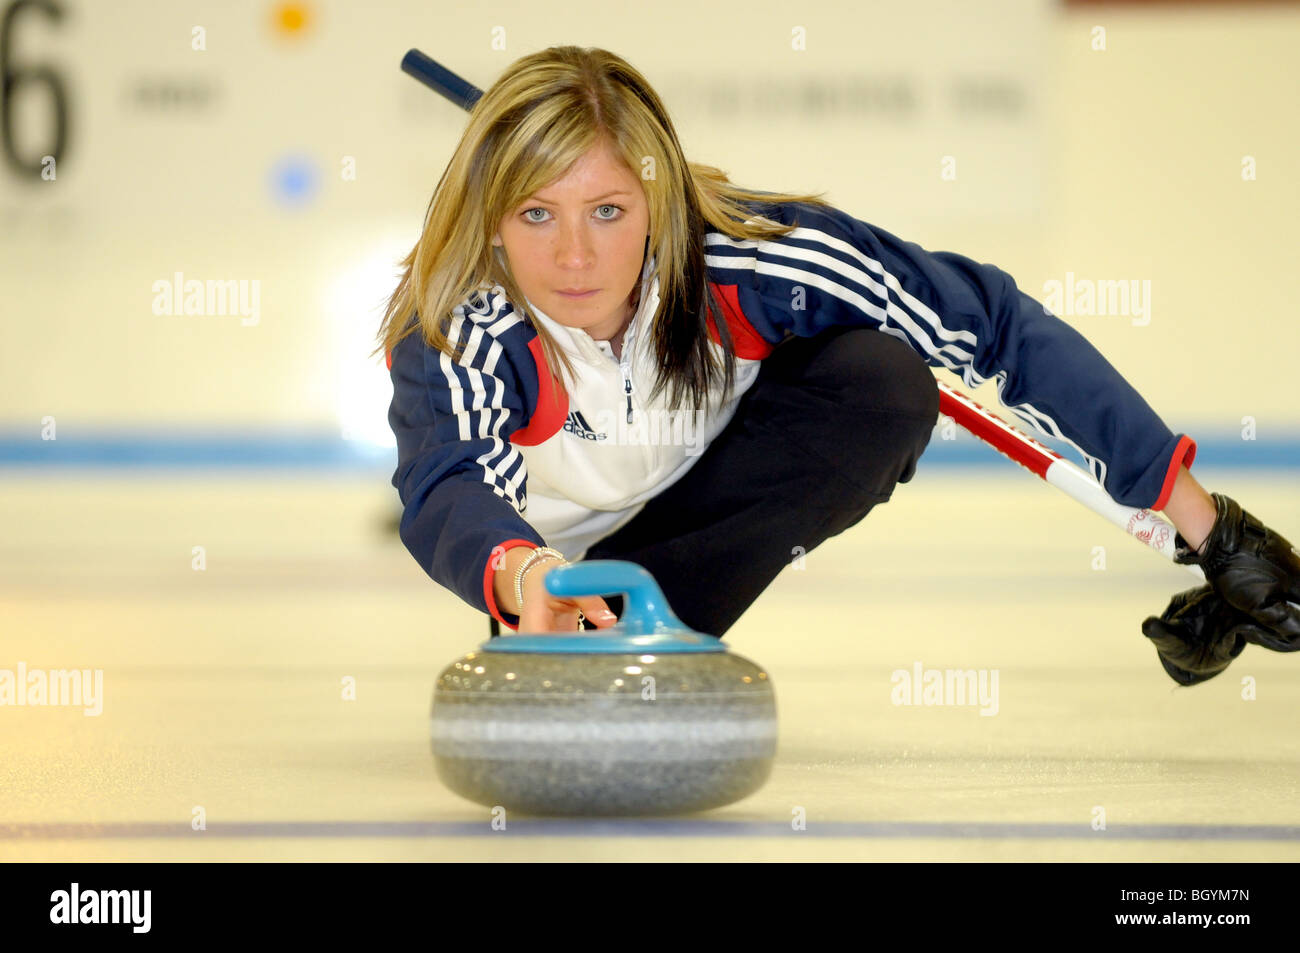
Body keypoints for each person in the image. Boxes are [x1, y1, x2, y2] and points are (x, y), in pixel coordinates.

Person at [374, 46, 1300, 685]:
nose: (574, 255)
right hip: (547, 566)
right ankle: (583, 621)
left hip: (701, 510)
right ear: (491, 216)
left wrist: (1216, 534)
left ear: (656, 202)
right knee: (531, 564)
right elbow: (448, 482)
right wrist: (522, 577)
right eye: (536, 213)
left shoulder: (765, 262)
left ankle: (642, 635)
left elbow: (998, 330)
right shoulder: (459, 316)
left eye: (607, 211)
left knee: (885, 383)